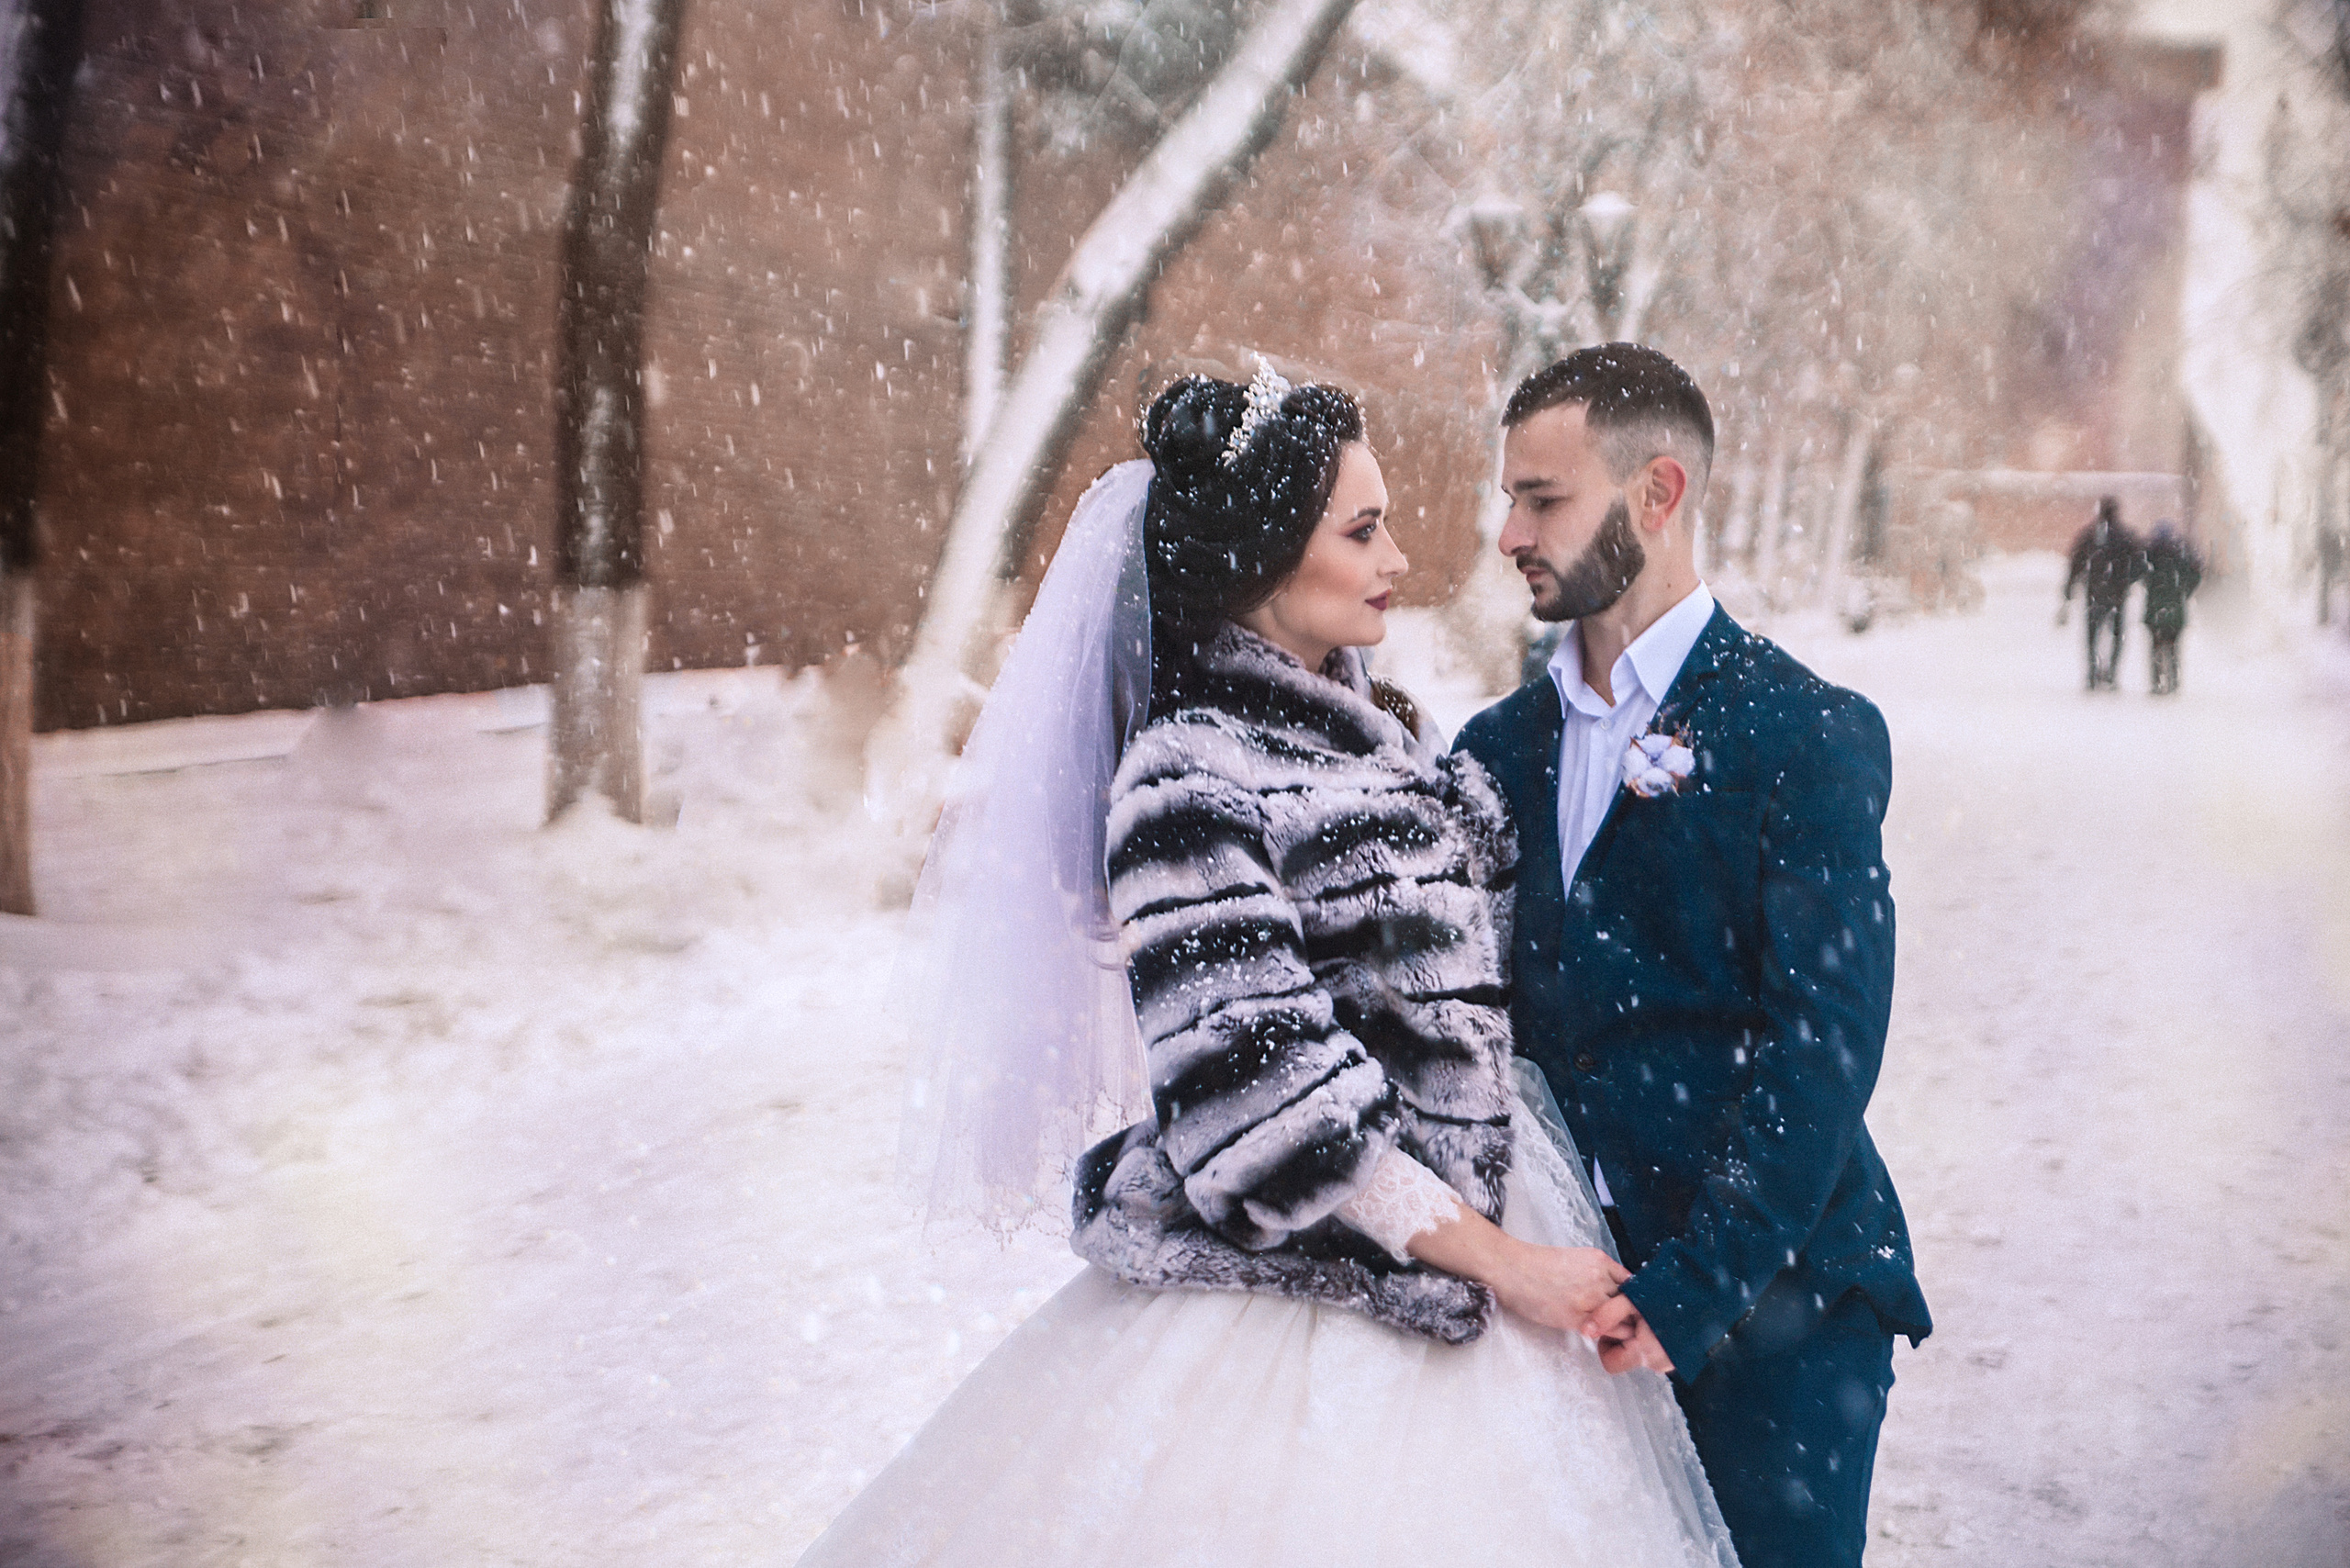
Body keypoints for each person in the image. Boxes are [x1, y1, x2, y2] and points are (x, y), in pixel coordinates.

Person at [798, 366, 1739, 1566]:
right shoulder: (1186, 782)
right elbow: (1265, 1103)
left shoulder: (1392, 742)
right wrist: (1509, 1268)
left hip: (1490, 1263)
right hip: (1309, 1298)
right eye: (1360, 530)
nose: (1398, 553)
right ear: (1257, 564)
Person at [1454, 345, 1931, 1568]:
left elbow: (1821, 1048)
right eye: (1510, 497)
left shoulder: (1803, 733)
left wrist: (1696, 1290)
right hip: (1562, 1323)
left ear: (1658, 495)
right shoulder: (1494, 750)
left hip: (1777, 1320)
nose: (1510, 529)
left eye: (1543, 498)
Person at [2061, 498, 2144, 690]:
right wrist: (2127, 581)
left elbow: (2076, 563)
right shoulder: (2126, 536)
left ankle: (2092, 672)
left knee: (2092, 635)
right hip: (2118, 594)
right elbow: (2141, 564)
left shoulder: (2089, 535)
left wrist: (2070, 588)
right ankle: (2112, 674)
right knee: (2117, 635)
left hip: (2095, 593)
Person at [2140, 521, 2202, 695]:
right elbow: (2195, 574)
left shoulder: (2150, 553)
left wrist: (2150, 585)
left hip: (2154, 609)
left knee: (2156, 645)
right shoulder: (2181, 554)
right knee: (2174, 646)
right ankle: (2173, 680)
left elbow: (2140, 572)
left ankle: (2157, 682)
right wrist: (2185, 592)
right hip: (2175, 608)